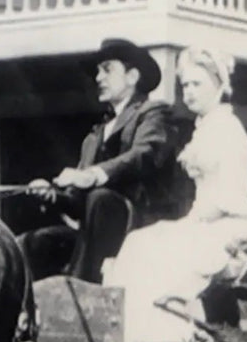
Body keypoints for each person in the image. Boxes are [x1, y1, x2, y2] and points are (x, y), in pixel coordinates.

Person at [105, 47, 247, 342]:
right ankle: (134, 336)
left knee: (158, 247)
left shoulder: (227, 129)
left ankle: (169, 335)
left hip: (229, 225)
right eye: (185, 85)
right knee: (137, 243)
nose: (190, 91)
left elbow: (228, 197)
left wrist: (192, 222)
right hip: (205, 222)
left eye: (197, 84)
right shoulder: (205, 128)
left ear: (219, 85)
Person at [20, 38, 181, 283]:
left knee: (101, 200)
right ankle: (29, 312)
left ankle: (82, 289)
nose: (98, 78)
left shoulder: (153, 114)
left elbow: (144, 155)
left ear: (132, 76)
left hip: (139, 228)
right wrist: (54, 195)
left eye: (107, 69)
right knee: (32, 244)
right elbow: (78, 202)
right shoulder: (95, 136)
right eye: (97, 71)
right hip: (93, 235)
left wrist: (93, 174)